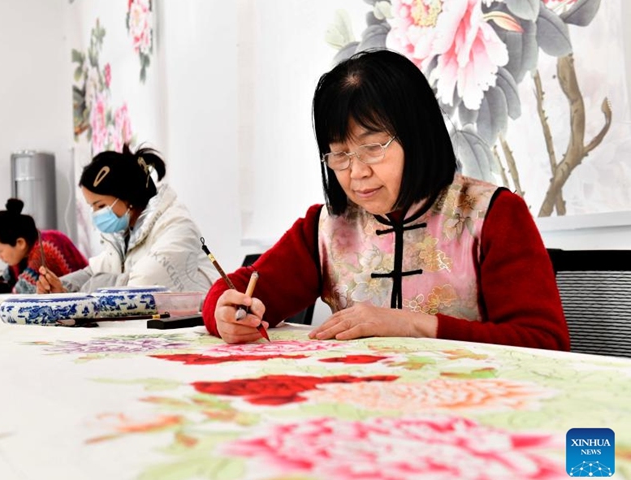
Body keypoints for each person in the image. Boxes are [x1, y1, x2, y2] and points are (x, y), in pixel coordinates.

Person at [203, 49, 570, 351]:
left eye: (372, 148)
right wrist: (223, 311)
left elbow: (545, 343)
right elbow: (238, 289)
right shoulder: (329, 228)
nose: (356, 172)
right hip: (360, 413)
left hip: (473, 414)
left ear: (417, 137)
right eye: (339, 154)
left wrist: (412, 325)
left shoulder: (493, 216)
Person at [37, 144, 218, 294]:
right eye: (92, 206)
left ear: (128, 197)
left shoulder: (176, 225)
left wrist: (72, 295)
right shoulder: (123, 234)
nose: (96, 214)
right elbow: (93, 271)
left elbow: (144, 285)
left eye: (100, 206)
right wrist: (57, 287)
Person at [0, 198, 88, 294]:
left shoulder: (46, 248)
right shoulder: (26, 249)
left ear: (20, 243)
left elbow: (21, 293)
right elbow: (8, 283)